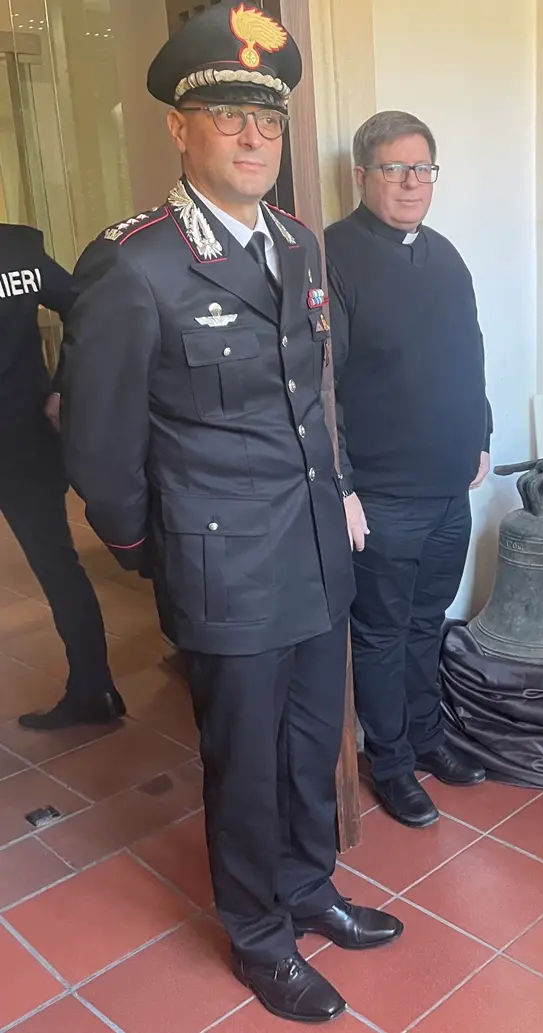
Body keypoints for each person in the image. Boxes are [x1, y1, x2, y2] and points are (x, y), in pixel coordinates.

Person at [58, 2, 400, 1023]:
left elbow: (312, 394)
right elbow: (100, 446)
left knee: (307, 746)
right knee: (244, 763)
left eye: (270, 118)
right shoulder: (138, 262)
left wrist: (338, 492)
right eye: (229, 116)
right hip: (223, 569)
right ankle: (258, 935)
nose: (256, 137)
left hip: (311, 552)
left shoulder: (296, 243)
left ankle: (307, 887)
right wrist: (144, 547)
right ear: (180, 128)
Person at [325, 110, 491, 829]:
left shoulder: (445, 254)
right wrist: (345, 486)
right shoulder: (330, 255)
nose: (411, 183)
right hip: (383, 496)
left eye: (423, 168)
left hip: (450, 484)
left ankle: (427, 736)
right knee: (384, 633)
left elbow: (469, 349)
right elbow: (318, 385)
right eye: (395, 168)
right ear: (362, 174)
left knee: (430, 620)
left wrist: (480, 433)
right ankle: (388, 760)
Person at [0, 224, 123, 731]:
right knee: (59, 567)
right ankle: (94, 691)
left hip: (22, 439)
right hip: (23, 438)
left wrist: (63, 384)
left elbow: (87, 308)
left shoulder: (15, 250)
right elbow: (84, 308)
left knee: (57, 567)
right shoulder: (15, 250)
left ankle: (93, 689)